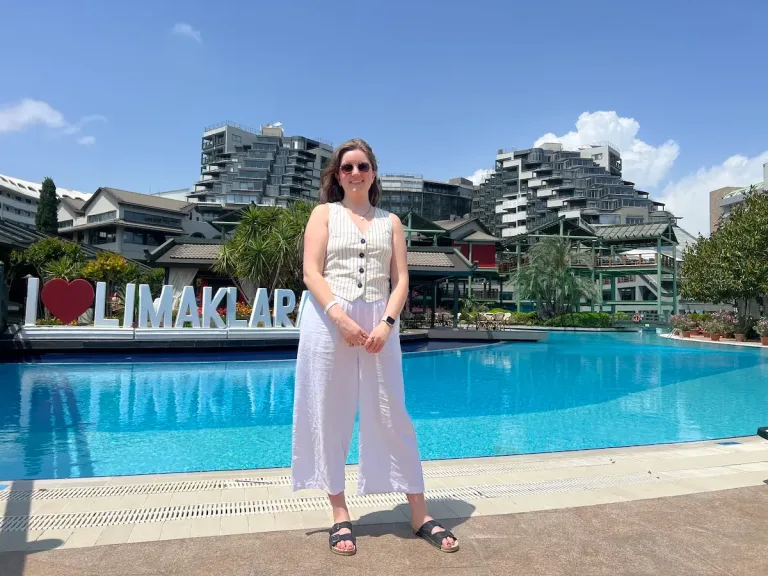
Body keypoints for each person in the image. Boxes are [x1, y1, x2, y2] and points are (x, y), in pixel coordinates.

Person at [291, 138, 459, 556]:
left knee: (391, 412)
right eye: (346, 167)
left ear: (373, 172)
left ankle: (418, 512)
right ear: (336, 175)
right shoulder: (323, 214)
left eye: (362, 166)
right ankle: (338, 512)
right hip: (329, 320)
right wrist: (340, 317)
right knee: (328, 411)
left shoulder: (391, 222)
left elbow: (401, 279)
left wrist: (386, 323)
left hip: (381, 320)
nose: (355, 173)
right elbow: (311, 272)